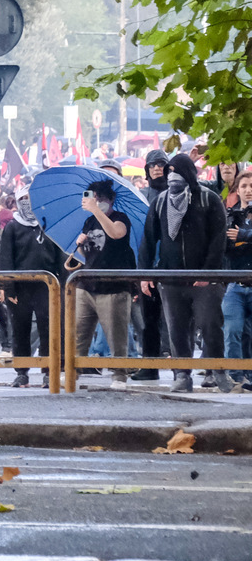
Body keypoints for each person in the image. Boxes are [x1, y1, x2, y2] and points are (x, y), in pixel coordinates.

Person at [139, 153, 234, 392]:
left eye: (177, 171)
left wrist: (208, 273)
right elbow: (148, 241)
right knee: (177, 330)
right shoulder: (160, 202)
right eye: (170, 171)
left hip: (204, 280)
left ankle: (218, 371)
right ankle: (182, 375)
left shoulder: (208, 199)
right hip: (170, 280)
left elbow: (218, 239)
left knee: (211, 325)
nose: (172, 176)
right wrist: (144, 274)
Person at [71, 177, 136, 387]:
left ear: (110, 199)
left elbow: (116, 233)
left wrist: (96, 211)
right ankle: (72, 372)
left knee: (116, 335)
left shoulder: (120, 217)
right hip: (87, 283)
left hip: (114, 287)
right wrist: (80, 244)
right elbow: (88, 252)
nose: (95, 201)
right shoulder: (89, 221)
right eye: (92, 198)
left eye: (99, 198)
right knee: (79, 332)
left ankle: (119, 374)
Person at [0, 192, 64, 387]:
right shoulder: (12, 227)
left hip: (47, 286)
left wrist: (63, 283)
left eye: (30, 198)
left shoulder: (49, 224)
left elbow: (59, 257)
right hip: (20, 288)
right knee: (20, 330)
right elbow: (6, 259)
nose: (28, 203)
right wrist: (9, 289)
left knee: (48, 330)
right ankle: (21, 372)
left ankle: (49, 371)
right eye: (23, 199)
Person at [132, 148, 171, 379]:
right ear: (146, 169)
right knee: (149, 321)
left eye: (161, 164)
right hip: (147, 264)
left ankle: (180, 369)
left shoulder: (178, 193)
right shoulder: (140, 196)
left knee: (178, 320)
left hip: (172, 264)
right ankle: (149, 366)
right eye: (152, 164)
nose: (157, 168)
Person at [223, 169, 252, 388]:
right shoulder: (231, 215)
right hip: (235, 284)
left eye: (251, 186)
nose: (248, 190)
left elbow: (239, 240)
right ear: (237, 190)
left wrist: (245, 236)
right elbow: (225, 247)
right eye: (244, 186)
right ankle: (235, 375)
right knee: (233, 330)